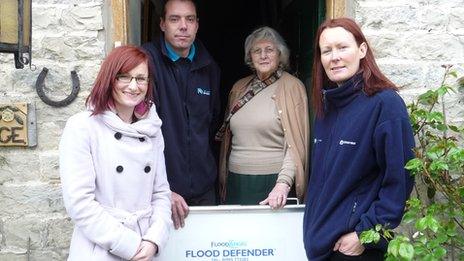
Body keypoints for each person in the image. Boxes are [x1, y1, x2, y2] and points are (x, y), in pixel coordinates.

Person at [303, 17, 415, 260]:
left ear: (362, 50)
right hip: (321, 246)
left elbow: (400, 180)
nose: (334, 57)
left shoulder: (385, 104)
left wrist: (365, 234)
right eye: (326, 51)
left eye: (342, 47)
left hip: (355, 249)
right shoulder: (326, 107)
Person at [59, 46, 172, 261]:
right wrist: (128, 244)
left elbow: (161, 193)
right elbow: (79, 203)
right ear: (109, 79)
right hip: (102, 247)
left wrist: (154, 240)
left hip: (146, 248)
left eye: (141, 79)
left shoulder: (153, 129)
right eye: (124, 77)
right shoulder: (83, 126)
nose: (133, 86)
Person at [142, 0, 221, 230]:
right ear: (162, 24)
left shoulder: (210, 68)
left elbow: (212, 124)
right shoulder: (147, 62)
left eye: (190, 19)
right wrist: (163, 189)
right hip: (160, 192)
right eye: (175, 19)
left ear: (197, 25)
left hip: (204, 188)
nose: (183, 26)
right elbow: (137, 133)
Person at [217, 26, 309, 209]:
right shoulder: (239, 88)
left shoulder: (292, 87)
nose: (263, 55)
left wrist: (283, 183)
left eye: (269, 50)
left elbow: (296, 144)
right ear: (250, 56)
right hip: (237, 181)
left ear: (280, 54)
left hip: (273, 184)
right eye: (257, 51)